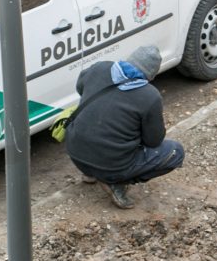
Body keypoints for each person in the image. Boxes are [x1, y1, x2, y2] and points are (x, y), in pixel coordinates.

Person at [65, 45, 185, 209]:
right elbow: (153, 141)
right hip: (110, 167)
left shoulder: (99, 68)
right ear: (150, 76)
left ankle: (89, 173)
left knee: (99, 125)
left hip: (75, 153)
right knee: (175, 152)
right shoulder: (149, 95)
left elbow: (81, 88)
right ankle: (115, 182)